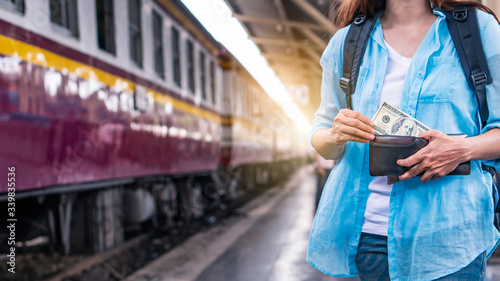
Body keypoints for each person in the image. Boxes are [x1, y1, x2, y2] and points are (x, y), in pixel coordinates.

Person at [307, 0, 500, 280]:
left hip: (450, 236)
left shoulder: (476, 30)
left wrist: (461, 149)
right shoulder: (347, 42)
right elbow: (321, 136)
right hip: (370, 235)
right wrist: (334, 134)